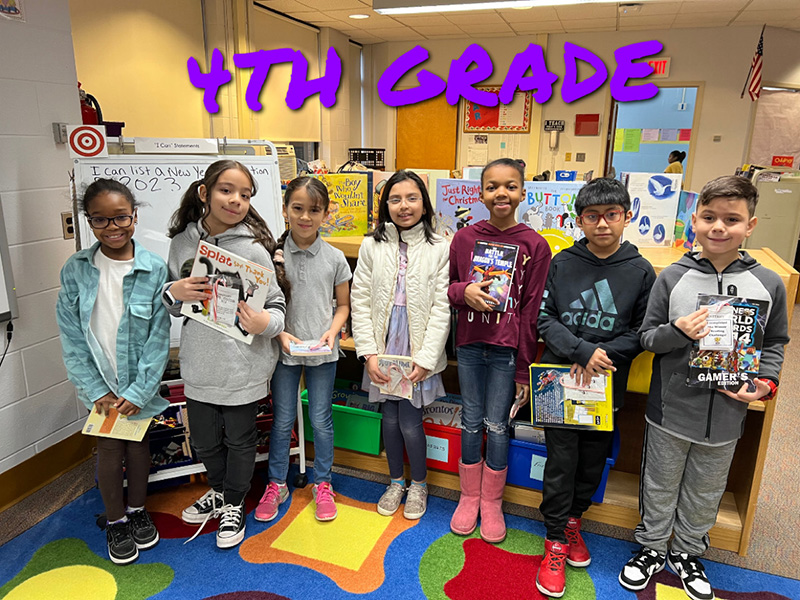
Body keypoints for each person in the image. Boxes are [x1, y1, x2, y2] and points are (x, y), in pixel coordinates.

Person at [618, 176, 789, 600]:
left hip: (729, 412)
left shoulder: (768, 283)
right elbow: (648, 338)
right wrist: (678, 330)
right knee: (660, 481)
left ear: (750, 226)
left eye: (732, 219)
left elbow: (776, 343)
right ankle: (653, 547)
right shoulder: (674, 277)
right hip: (672, 407)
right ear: (693, 220)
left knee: (707, 486)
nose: (719, 227)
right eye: (709, 217)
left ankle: (688, 551)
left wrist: (763, 386)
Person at [535, 178, 656, 597]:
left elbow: (644, 332)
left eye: (612, 215)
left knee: (591, 461)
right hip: (559, 378)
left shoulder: (640, 271)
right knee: (560, 461)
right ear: (579, 220)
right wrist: (582, 349)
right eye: (592, 216)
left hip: (605, 384)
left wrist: (601, 356)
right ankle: (553, 539)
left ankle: (574, 524)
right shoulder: (563, 262)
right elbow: (544, 318)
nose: (602, 224)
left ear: (626, 216)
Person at [163, 159, 287, 549]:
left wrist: (263, 323)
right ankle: (220, 490)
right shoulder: (182, 242)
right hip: (199, 362)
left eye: (246, 195)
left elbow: (278, 306)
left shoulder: (254, 249)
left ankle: (233, 503)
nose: (236, 200)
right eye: (226, 190)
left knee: (239, 438)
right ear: (205, 193)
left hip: (244, 365)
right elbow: (170, 301)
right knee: (203, 440)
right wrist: (173, 293)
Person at [56, 179, 170, 565]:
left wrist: (139, 391)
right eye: (100, 220)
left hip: (139, 383)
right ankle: (117, 520)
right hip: (99, 385)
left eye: (121, 217)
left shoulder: (154, 268)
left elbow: (158, 336)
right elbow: (71, 335)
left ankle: (138, 511)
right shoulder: (75, 269)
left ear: (134, 216)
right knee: (108, 448)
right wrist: (94, 389)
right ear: (89, 222)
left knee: (138, 446)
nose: (113, 227)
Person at [448, 158, 551, 543]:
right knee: (471, 421)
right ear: (481, 193)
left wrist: (526, 367)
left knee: (498, 424)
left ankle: (492, 501)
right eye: (492, 186)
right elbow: (450, 289)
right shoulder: (464, 239)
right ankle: (469, 495)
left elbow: (531, 310)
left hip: (508, 352)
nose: (501, 193)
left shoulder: (534, 245)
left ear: (523, 192)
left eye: (510, 186)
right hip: (471, 346)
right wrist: (465, 292)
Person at [351, 170, 450, 520]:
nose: (403, 206)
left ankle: (418, 484)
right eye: (395, 199)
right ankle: (396, 481)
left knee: (410, 420)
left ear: (424, 203)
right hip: (383, 343)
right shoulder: (371, 244)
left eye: (412, 198)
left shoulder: (440, 247)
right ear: (385, 205)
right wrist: (368, 352)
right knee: (388, 419)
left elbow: (442, 307)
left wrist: (426, 357)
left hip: (416, 343)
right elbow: (360, 298)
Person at [255, 177, 351, 523]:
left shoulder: (336, 258)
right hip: (283, 350)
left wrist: (333, 332)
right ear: (285, 211)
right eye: (298, 208)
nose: (306, 217)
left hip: (323, 352)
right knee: (282, 420)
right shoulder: (270, 257)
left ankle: (323, 483)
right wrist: (280, 335)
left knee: (320, 420)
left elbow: (343, 305)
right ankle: (276, 482)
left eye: (314, 210)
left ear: (325, 213)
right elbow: (263, 304)